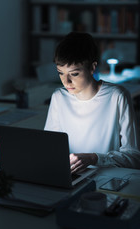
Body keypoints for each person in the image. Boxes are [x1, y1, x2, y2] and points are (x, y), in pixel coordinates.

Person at [44, 32, 140, 173]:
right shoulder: (59, 97)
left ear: (92, 67)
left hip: (105, 177)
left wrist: (94, 158)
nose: (66, 82)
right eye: (61, 73)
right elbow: (48, 147)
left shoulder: (117, 96)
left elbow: (135, 157)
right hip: (70, 176)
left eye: (74, 74)